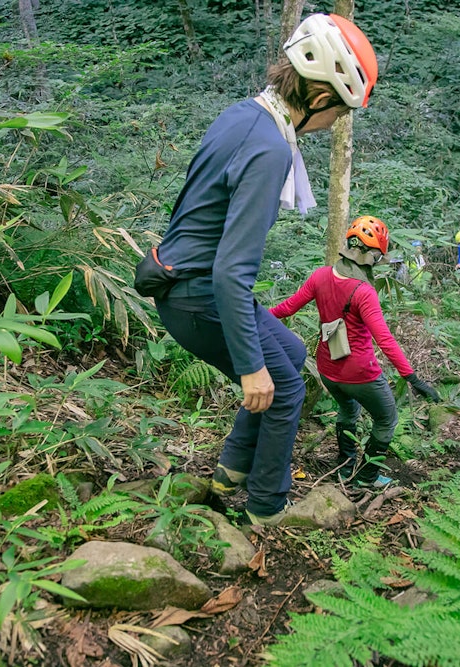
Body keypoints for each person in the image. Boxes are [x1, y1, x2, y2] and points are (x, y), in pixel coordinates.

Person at [150, 14, 378, 526]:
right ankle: (266, 508)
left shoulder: (244, 114)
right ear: (320, 98)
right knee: (284, 387)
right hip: (200, 295)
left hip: (184, 282)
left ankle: (231, 471)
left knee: (294, 351)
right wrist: (252, 369)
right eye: (338, 112)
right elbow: (233, 270)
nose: (333, 124)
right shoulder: (271, 147)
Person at [269, 216, 439, 488]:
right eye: (377, 256)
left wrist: (254, 316)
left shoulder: (320, 275)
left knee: (348, 410)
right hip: (360, 373)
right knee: (387, 418)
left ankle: (345, 467)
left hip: (327, 369)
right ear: (369, 255)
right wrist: (413, 378)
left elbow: (287, 307)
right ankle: (366, 478)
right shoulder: (363, 291)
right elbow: (384, 339)